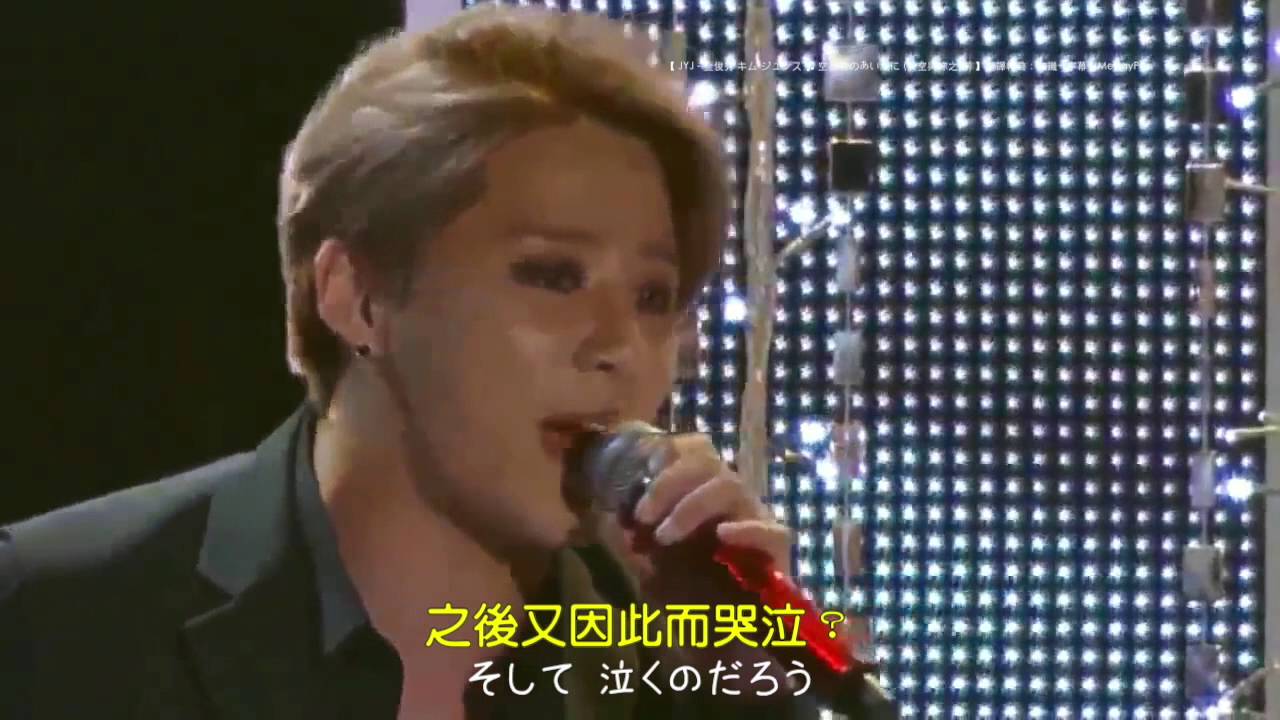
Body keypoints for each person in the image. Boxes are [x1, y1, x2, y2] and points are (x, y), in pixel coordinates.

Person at [0, 5, 822, 719]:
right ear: (358, 297)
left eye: (652, 297)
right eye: (551, 275)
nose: (620, 345)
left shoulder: (662, 663)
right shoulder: (56, 616)